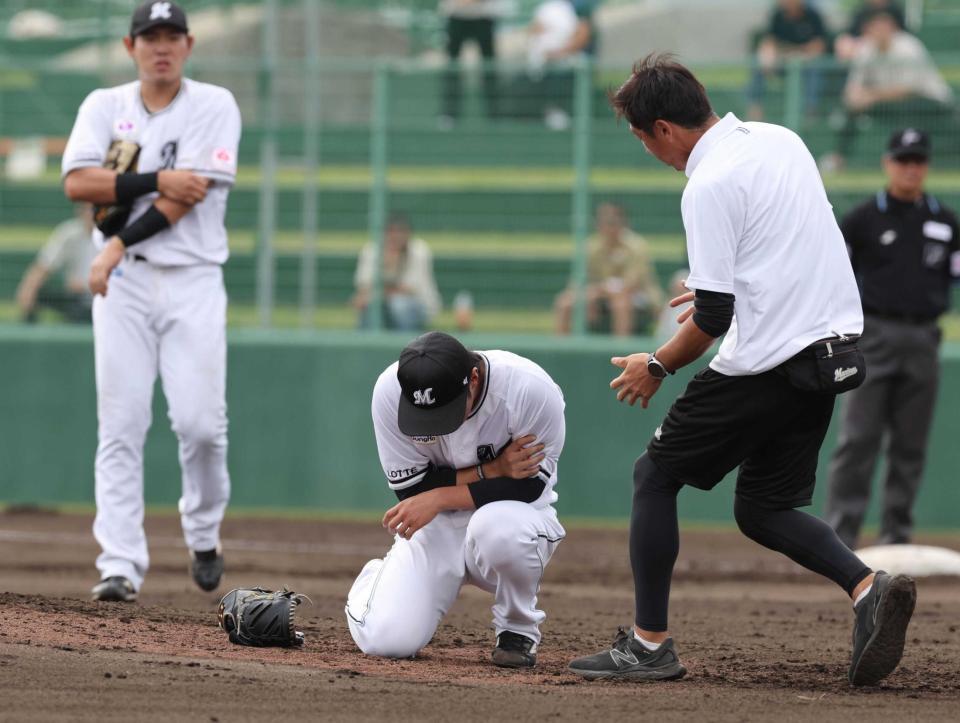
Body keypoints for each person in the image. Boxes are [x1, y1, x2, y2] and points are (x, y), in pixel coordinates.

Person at [568, 54, 916, 687]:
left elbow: (714, 319)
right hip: (826, 355)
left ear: (664, 129)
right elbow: (784, 241)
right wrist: (724, 290)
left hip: (764, 362)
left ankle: (649, 645)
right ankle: (868, 589)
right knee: (763, 507)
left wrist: (655, 363)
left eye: (644, 139)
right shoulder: (780, 139)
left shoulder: (706, 184)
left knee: (654, 476)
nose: (650, 151)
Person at [61, 1, 241, 602]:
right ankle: (119, 563)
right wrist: (154, 179)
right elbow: (76, 183)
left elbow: (188, 197)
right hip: (126, 286)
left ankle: (203, 531)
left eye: (171, 35)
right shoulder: (103, 106)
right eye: (149, 36)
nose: (160, 46)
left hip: (190, 278)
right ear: (129, 46)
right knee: (120, 423)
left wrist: (113, 243)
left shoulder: (213, 105)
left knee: (201, 426)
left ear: (189, 45)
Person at [346, 331, 566, 668]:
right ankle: (378, 583)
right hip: (435, 526)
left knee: (500, 531)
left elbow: (528, 487)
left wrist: (438, 496)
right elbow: (412, 492)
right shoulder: (390, 392)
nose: (437, 424)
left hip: (510, 514)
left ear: (473, 379)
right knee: (386, 640)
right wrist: (493, 468)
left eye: (446, 409)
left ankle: (517, 628)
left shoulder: (528, 389)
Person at [825, 129, 959, 549]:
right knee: (858, 439)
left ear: (927, 166)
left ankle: (896, 535)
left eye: (918, 160)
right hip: (873, 335)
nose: (911, 168)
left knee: (910, 444)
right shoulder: (863, 219)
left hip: (923, 337)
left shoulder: (945, 221)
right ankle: (840, 537)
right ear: (888, 163)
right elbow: (834, 274)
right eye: (903, 160)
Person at [824, 9, 953, 170]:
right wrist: (855, 98)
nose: (881, 32)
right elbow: (854, 86)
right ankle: (838, 158)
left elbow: (908, 90)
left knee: (907, 108)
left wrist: (870, 96)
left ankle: (905, 160)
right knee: (852, 109)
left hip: (930, 102)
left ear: (893, 28)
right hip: (889, 103)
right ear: (868, 29)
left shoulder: (908, 46)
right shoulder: (866, 49)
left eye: (884, 27)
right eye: (876, 27)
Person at [554, 202, 663, 336]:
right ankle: (565, 349)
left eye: (612, 222)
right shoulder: (591, 247)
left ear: (623, 223)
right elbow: (578, 281)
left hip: (638, 297)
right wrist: (590, 294)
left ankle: (621, 352)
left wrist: (600, 291)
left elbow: (631, 285)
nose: (608, 227)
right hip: (598, 294)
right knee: (564, 302)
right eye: (603, 222)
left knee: (620, 303)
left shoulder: (636, 246)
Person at [353, 213, 441, 331]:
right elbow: (363, 287)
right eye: (391, 231)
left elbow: (410, 289)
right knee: (370, 307)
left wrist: (378, 291)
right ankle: (366, 347)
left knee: (398, 304)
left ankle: (408, 347)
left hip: (419, 307)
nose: (395, 236)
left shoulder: (419, 250)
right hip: (382, 304)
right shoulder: (371, 250)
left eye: (400, 231)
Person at [747, 0, 829, 121]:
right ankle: (755, 107)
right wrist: (771, 55)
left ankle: (810, 111)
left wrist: (797, 53)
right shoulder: (777, 15)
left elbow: (819, 46)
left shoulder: (813, 15)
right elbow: (770, 41)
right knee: (759, 67)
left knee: (814, 70)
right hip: (783, 63)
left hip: (806, 65)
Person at [16, 205, 96, 324]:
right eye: (89, 209)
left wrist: (87, 286)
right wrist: (28, 290)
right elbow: (43, 266)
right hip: (76, 301)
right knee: (36, 293)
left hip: (106, 299)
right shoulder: (70, 233)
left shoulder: (114, 234)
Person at [438, 0, 505, 129]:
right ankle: (449, 114)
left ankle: (494, 114)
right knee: (452, 67)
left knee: (489, 67)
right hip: (456, 17)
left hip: (484, 17)